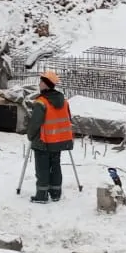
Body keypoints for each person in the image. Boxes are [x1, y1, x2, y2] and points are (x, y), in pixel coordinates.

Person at [27, 70, 75, 203]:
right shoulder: (64, 101)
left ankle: (41, 195)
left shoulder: (41, 102)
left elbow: (35, 123)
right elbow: (68, 119)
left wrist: (30, 135)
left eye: (41, 82)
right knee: (55, 166)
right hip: (58, 141)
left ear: (46, 85)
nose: (39, 84)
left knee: (42, 168)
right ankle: (55, 192)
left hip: (43, 141)